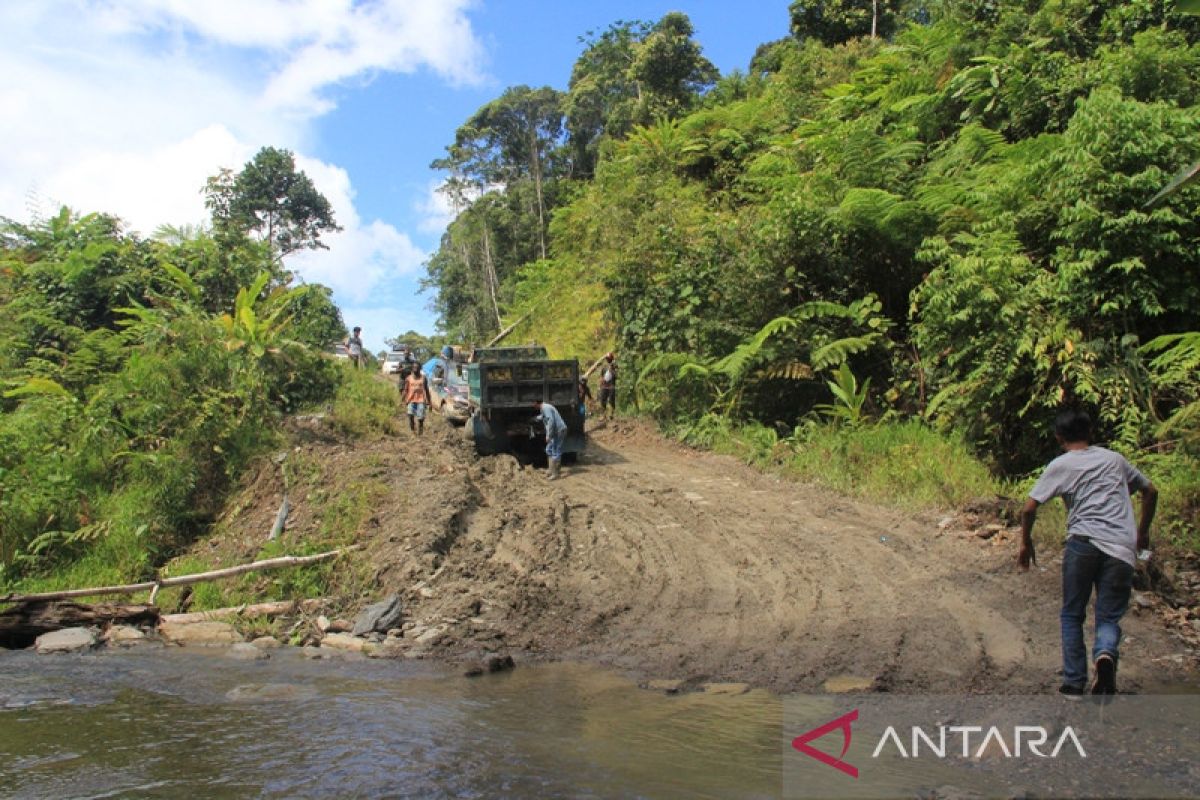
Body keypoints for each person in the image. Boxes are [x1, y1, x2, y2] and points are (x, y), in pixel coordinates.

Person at [1018, 408, 1157, 698]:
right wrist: (1142, 533)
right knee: (1108, 617)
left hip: (1082, 544)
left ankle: (1073, 683)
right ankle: (1104, 656)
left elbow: (1029, 508)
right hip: (1121, 547)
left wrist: (1025, 542)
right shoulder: (1114, 459)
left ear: (1059, 437)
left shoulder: (1061, 465)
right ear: (1090, 433)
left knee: (1072, 614)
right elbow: (1150, 491)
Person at [534, 399, 568, 480]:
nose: (532, 405)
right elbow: (543, 417)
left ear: (536, 403)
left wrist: (548, 436)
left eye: (533, 403)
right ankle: (551, 470)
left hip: (559, 431)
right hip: (556, 431)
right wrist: (535, 418)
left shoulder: (546, 408)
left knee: (555, 451)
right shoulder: (543, 408)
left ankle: (555, 473)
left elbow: (551, 421)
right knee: (549, 449)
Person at [402, 365, 432, 435]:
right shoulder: (408, 378)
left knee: (420, 418)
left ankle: (420, 431)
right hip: (411, 400)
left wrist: (430, 403)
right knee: (410, 415)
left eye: (417, 367)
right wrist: (402, 400)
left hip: (421, 400)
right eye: (414, 367)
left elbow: (427, 390)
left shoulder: (423, 378)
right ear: (412, 368)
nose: (415, 368)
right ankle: (413, 430)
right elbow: (405, 390)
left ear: (420, 369)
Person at [598, 351, 617, 421]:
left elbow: (616, 376)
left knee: (611, 400)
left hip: (611, 386)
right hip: (604, 386)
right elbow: (602, 376)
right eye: (607, 358)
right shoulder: (604, 367)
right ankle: (603, 415)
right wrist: (600, 385)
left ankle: (611, 414)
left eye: (609, 358)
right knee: (602, 400)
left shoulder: (615, 366)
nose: (608, 359)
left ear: (612, 358)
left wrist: (612, 370)